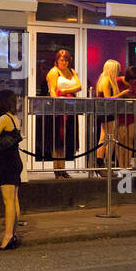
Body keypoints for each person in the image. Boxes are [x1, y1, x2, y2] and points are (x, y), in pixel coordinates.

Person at [0, 89, 24, 250]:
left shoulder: (3, 118)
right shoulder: (15, 118)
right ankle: (13, 233)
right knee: (15, 200)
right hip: (15, 160)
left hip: (6, 162)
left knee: (8, 201)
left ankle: (8, 236)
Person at [46, 49, 82, 177]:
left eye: (66, 60)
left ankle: (63, 168)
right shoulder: (53, 72)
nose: (64, 62)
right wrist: (60, 100)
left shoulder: (71, 71)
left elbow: (79, 86)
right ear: (57, 60)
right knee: (58, 140)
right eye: (62, 60)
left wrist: (65, 90)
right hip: (58, 110)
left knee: (67, 139)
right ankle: (58, 170)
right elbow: (53, 91)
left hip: (70, 108)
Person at [95, 59, 122, 171]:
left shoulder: (104, 79)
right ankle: (101, 163)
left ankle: (101, 163)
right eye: (117, 70)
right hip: (106, 111)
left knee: (104, 137)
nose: (118, 72)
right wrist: (122, 94)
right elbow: (108, 99)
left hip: (105, 111)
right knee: (107, 137)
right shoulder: (106, 80)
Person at [116, 65, 136, 170]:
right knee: (121, 139)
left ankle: (127, 164)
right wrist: (123, 94)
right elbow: (113, 96)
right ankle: (121, 165)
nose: (133, 82)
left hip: (131, 113)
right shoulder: (118, 81)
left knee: (130, 139)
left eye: (135, 79)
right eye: (131, 79)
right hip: (120, 113)